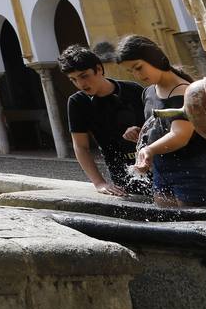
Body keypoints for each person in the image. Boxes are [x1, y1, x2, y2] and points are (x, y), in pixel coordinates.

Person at [116, 35, 206, 207]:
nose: (137, 75)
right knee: (172, 226)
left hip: (195, 171)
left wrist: (149, 149)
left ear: (152, 58)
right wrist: (141, 134)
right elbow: (160, 127)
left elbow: (180, 135)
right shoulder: (149, 92)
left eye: (139, 67)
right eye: (131, 71)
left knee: (201, 226)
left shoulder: (184, 91)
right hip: (162, 170)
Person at [59, 45, 150, 196]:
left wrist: (141, 130)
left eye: (84, 76)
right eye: (73, 79)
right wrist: (99, 183)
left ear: (99, 69)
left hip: (153, 166)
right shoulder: (77, 102)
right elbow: (81, 147)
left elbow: (156, 127)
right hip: (122, 177)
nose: (81, 84)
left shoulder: (133, 90)